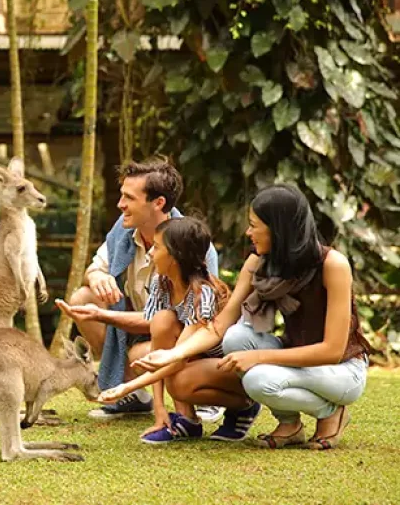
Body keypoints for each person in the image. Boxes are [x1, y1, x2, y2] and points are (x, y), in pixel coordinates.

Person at [135, 184, 371, 449]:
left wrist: (258, 357)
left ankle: (331, 412)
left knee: (258, 380)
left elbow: (332, 350)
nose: (248, 232)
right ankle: (290, 424)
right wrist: (173, 355)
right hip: (298, 357)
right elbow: (220, 325)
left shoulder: (332, 264)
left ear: (279, 229)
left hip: (341, 370)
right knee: (236, 337)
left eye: (254, 225)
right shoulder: (259, 262)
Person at [56, 159, 221, 421]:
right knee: (84, 297)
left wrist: (102, 315)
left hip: (185, 334)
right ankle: (134, 396)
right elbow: (96, 268)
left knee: (148, 344)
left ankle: (200, 393)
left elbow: (195, 321)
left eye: (129, 198)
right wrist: (99, 276)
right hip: (143, 323)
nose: (120, 205)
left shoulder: (191, 242)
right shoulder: (123, 232)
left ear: (159, 203)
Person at [92, 217, 256, 443]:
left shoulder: (202, 293)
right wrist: (159, 411)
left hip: (231, 366)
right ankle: (185, 420)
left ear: (176, 255)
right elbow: (159, 338)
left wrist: (126, 387)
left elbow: (176, 359)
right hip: (195, 360)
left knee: (179, 381)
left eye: (157, 248)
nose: (150, 254)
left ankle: (245, 405)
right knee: (160, 322)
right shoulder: (163, 282)